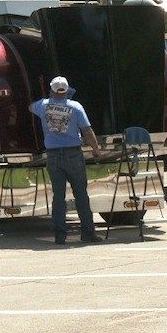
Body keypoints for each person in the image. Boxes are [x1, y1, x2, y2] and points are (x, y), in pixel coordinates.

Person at [29, 76, 104, 244]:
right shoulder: (75, 107)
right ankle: (87, 233)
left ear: (52, 90)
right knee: (81, 195)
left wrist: (47, 100)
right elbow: (87, 130)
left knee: (59, 196)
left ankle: (60, 236)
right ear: (67, 90)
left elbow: (30, 107)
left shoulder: (43, 105)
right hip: (73, 155)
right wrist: (96, 150)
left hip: (53, 156)